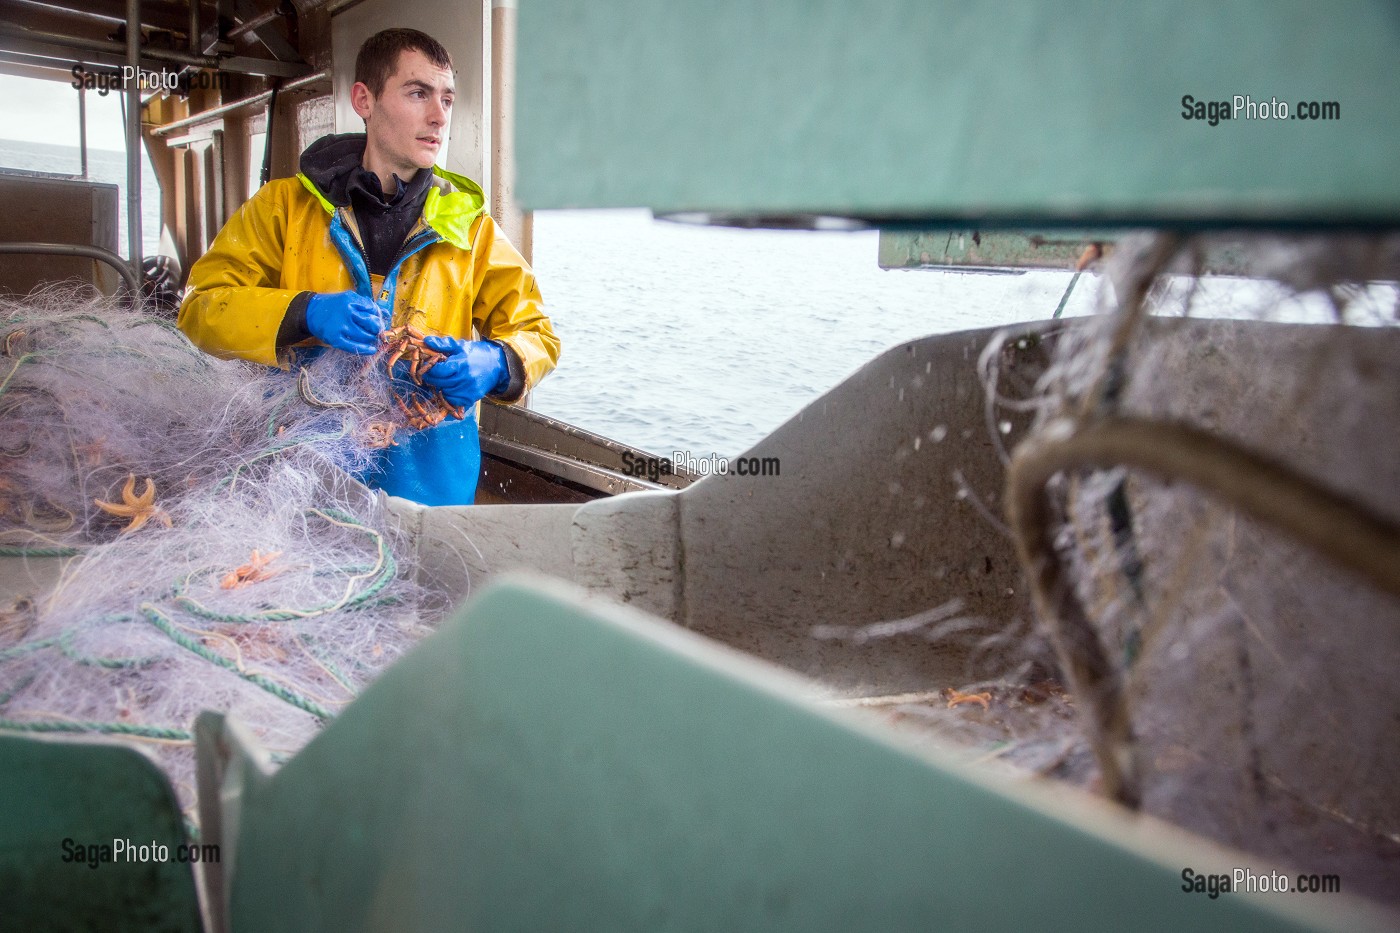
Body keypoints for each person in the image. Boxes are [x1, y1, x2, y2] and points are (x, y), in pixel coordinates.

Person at [178, 28, 559, 505]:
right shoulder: (282, 208)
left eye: (447, 99)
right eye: (418, 93)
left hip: (430, 492)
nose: (439, 116)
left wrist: (498, 362)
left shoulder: (474, 232)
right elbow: (199, 309)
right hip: (299, 482)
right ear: (364, 99)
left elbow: (538, 333)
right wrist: (303, 312)